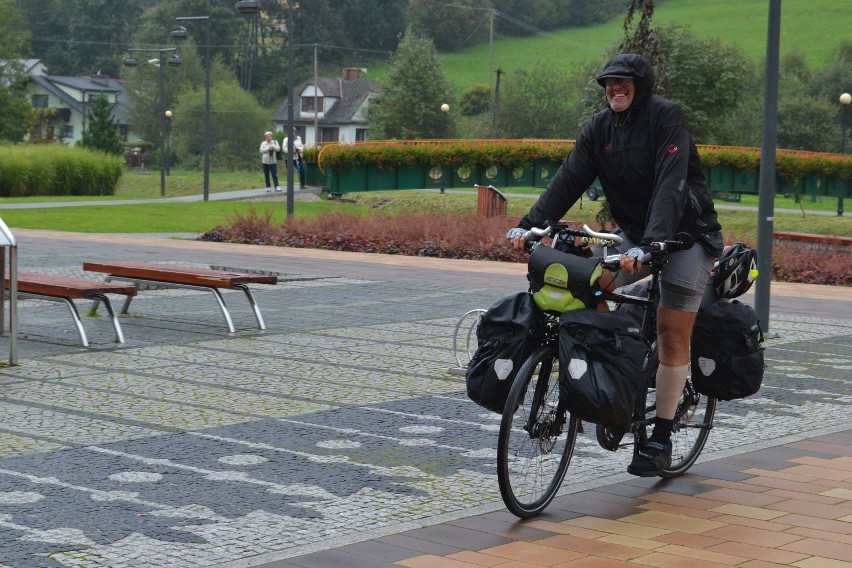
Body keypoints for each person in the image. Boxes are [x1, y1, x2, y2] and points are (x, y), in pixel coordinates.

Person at [506, 53, 723, 477]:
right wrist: (529, 225)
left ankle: (660, 436)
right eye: (608, 83)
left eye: (623, 82)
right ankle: (619, 371)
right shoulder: (600, 127)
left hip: (684, 236)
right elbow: (570, 177)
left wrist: (655, 242)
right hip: (635, 235)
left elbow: (671, 184)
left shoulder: (666, 118)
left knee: (671, 331)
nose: (615, 89)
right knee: (591, 283)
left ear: (640, 85)